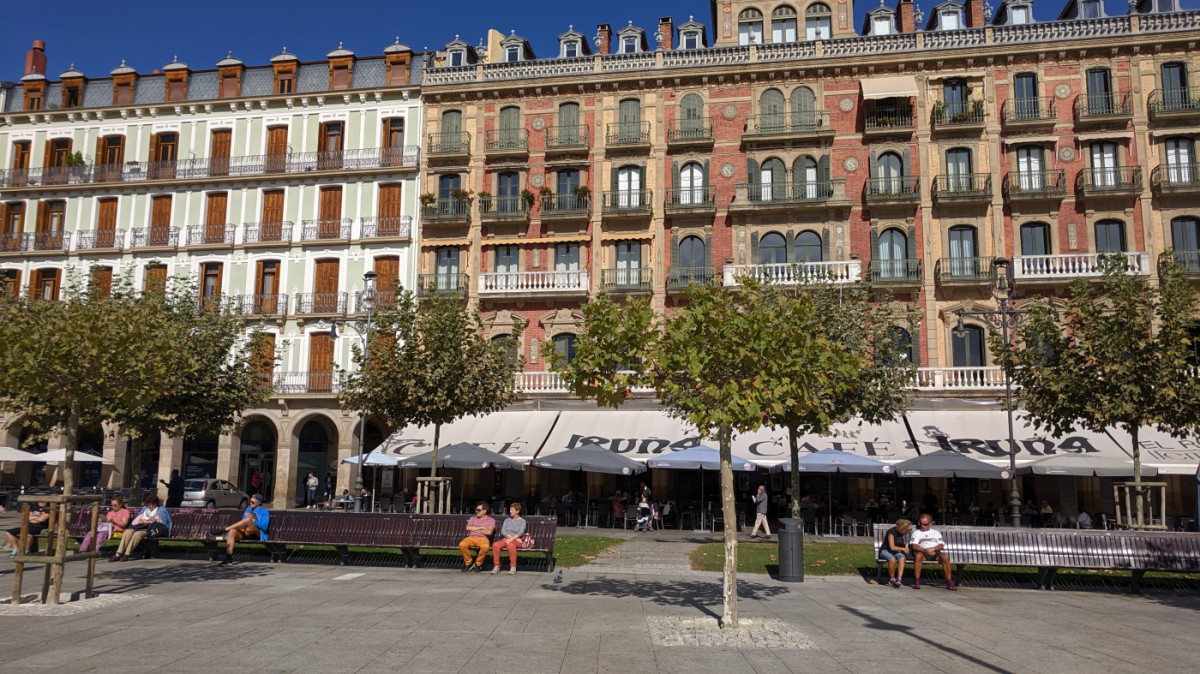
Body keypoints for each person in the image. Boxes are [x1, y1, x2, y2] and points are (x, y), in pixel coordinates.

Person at [112, 494, 172, 562]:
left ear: (156, 503)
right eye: (149, 504)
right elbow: (134, 522)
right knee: (128, 532)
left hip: (151, 530)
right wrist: (141, 521)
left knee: (137, 534)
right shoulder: (144, 509)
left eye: (153, 504)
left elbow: (163, 523)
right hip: (139, 527)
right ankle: (118, 554)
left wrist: (151, 521)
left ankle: (127, 554)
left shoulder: (161, 510)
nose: (151, 506)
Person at [215, 493, 269, 567]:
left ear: (258, 503)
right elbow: (243, 522)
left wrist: (253, 520)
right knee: (232, 531)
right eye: (250, 501)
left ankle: (224, 530)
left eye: (252, 502)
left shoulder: (264, 512)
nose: (250, 503)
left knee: (249, 520)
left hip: (255, 534)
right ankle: (228, 559)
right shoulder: (248, 509)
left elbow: (264, 527)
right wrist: (247, 518)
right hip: (244, 532)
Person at [910, 514, 957, 591]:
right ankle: (917, 580)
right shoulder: (916, 532)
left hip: (935, 553)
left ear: (930, 523)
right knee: (918, 556)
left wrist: (933, 549)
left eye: (925, 524)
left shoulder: (936, 533)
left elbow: (941, 545)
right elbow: (914, 546)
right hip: (922, 553)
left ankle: (949, 581)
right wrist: (926, 550)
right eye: (921, 524)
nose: (922, 526)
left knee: (945, 557)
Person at [491, 502, 527, 575]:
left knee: (511, 545)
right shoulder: (507, 520)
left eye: (512, 510)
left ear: (517, 511)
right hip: (508, 539)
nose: (510, 511)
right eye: (510, 510)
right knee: (496, 545)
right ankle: (496, 565)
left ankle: (513, 566)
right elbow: (503, 531)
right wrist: (511, 538)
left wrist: (512, 539)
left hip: (518, 541)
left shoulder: (522, 521)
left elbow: (521, 532)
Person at [458, 502, 495, 572]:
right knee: (462, 545)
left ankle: (478, 564)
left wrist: (475, 530)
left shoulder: (491, 520)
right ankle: (468, 562)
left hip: (483, 538)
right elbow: (468, 528)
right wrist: (481, 528)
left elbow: (489, 532)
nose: (476, 511)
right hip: (471, 538)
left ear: (485, 511)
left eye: (479, 510)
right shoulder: (473, 518)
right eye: (476, 510)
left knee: (485, 547)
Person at [881, 518, 912, 588]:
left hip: (896, 551)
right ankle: (892, 579)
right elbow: (892, 547)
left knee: (902, 558)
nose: (907, 530)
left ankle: (899, 579)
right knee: (892, 559)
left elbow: (904, 543)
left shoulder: (903, 534)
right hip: (886, 550)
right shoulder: (891, 532)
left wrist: (906, 547)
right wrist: (903, 549)